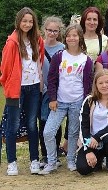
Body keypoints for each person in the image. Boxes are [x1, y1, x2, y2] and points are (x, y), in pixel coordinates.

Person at [39, 23, 93, 175]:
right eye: (69, 35)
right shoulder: (59, 56)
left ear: (80, 38)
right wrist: (52, 98)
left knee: (73, 133)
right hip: (60, 102)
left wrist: (85, 101)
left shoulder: (86, 60)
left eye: (75, 35)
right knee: (48, 132)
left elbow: (88, 83)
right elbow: (52, 78)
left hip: (77, 102)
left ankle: (71, 160)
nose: (71, 38)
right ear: (65, 37)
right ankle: (51, 161)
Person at [0, 7, 45, 176]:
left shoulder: (37, 40)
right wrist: (9, 85)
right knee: (13, 125)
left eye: (30, 21)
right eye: (24, 21)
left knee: (32, 124)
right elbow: (4, 68)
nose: (27, 24)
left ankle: (34, 160)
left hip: (33, 87)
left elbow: (39, 61)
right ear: (18, 22)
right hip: (16, 89)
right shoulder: (12, 42)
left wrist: (40, 82)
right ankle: (12, 162)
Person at [76, 70, 108, 175]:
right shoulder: (89, 101)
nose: (104, 85)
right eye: (100, 83)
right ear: (96, 85)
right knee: (83, 169)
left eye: (107, 82)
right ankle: (98, 160)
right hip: (91, 141)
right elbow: (83, 127)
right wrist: (88, 150)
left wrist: (98, 136)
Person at [38, 16, 65, 167]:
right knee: (42, 121)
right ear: (44, 30)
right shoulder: (37, 45)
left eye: (55, 31)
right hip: (40, 90)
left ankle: (55, 154)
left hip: (55, 91)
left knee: (55, 122)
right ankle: (45, 155)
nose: (52, 33)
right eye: (50, 30)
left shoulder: (62, 48)